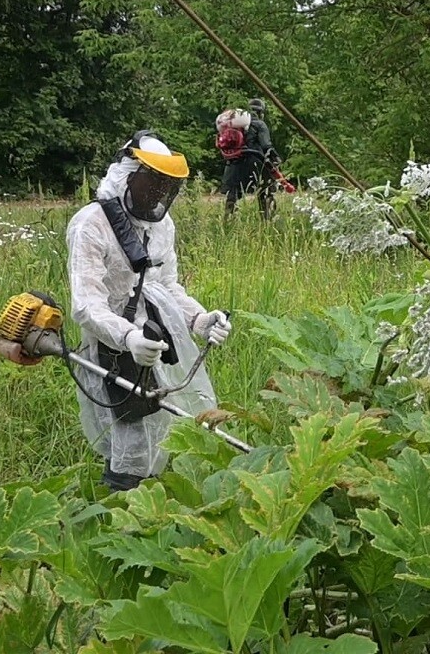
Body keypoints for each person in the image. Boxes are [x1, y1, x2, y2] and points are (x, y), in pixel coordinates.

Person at [65, 130, 232, 491]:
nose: (157, 195)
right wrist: (127, 337)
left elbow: (167, 286)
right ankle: (122, 506)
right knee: (130, 427)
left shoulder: (161, 226)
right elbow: (86, 304)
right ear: (127, 175)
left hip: (157, 334)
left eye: (164, 187)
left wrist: (199, 319)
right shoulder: (91, 224)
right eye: (151, 184)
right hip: (112, 343)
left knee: (163, 420)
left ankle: (153, 497)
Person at [218, 98, 280, 219]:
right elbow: (266, 145)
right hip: (256, 163)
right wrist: (276, 158)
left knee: (233, 196)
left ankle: (227, 222)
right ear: (261, 113)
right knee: (265, 193)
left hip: (235, 163)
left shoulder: (235, 124)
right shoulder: (260, 124)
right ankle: (267, 221)